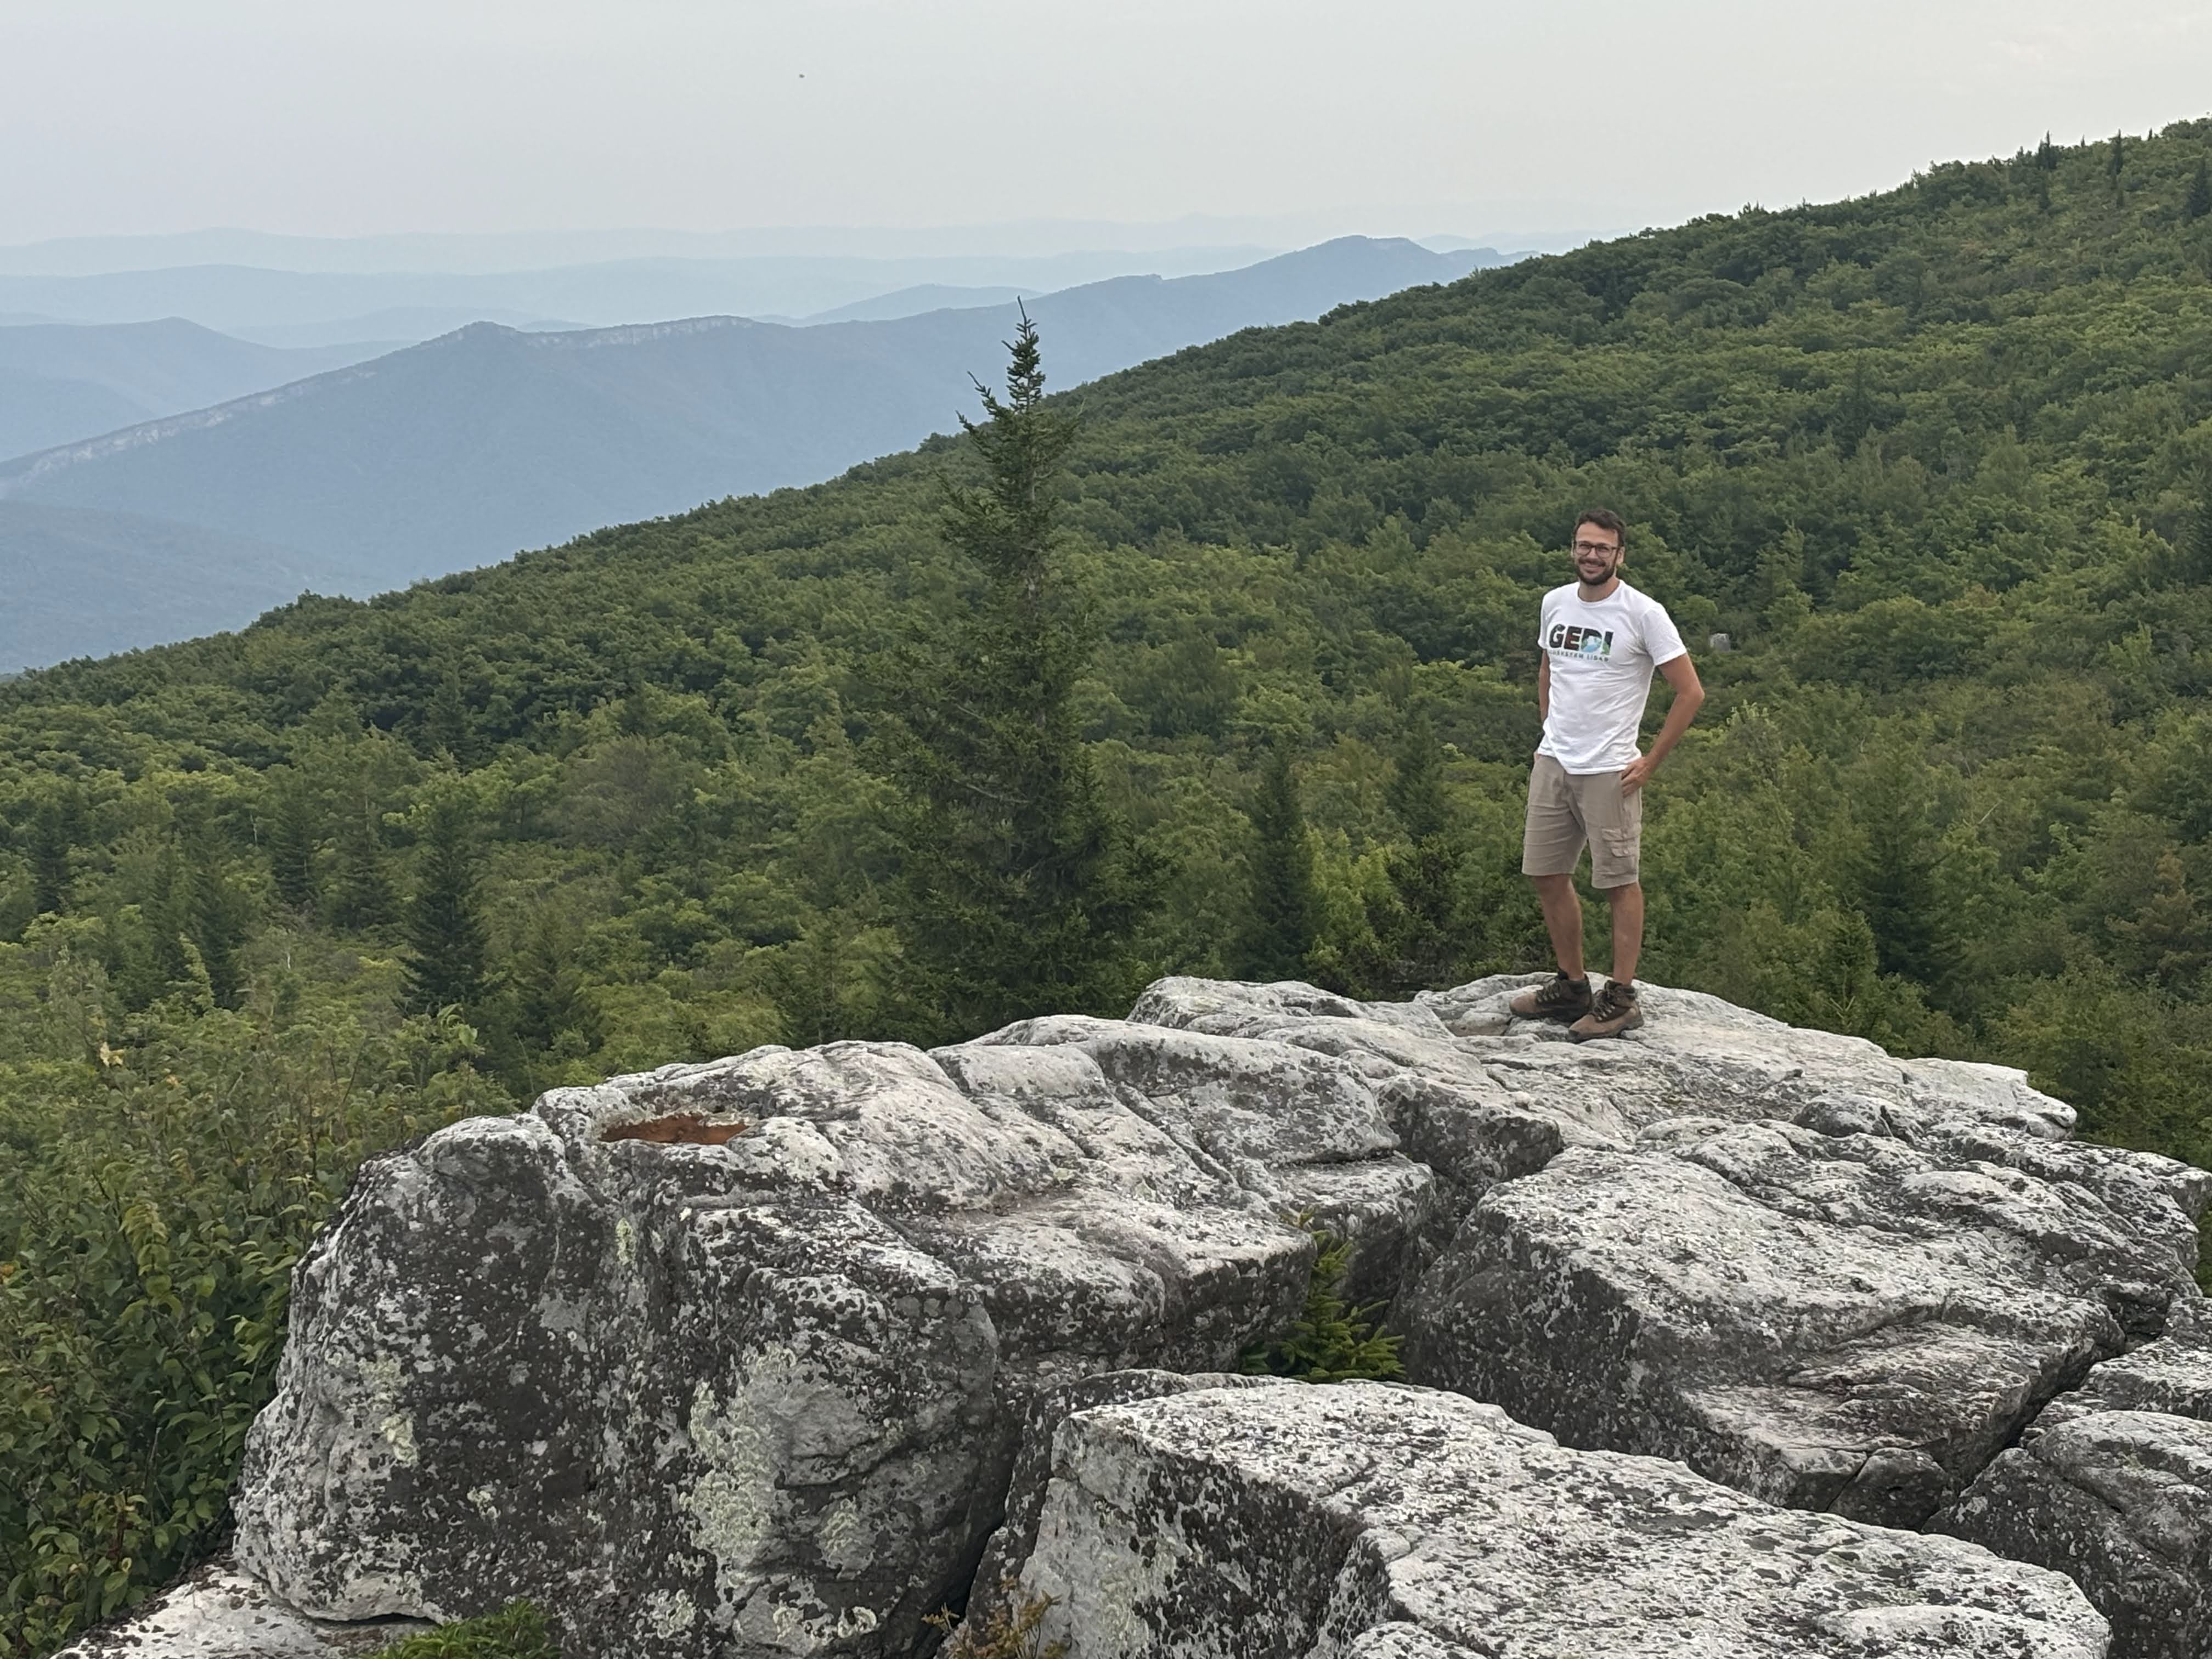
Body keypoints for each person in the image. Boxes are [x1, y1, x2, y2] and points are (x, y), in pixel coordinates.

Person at [1510, 510, 1704, 1039]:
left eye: (1603, 548)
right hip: (1556, 761)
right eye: (1583, 546)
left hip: (1610, 768)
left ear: (1620, 554)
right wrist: (1547, 729)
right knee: (1546, 874)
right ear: (1572, 548)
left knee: (1619, 882)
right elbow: (1549, 666)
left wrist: (1651, 761)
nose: (1591, 555)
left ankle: (1620, 997)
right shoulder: (1555, 602)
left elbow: (1691, 692)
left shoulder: (1643, 613)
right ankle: (1571, 986)